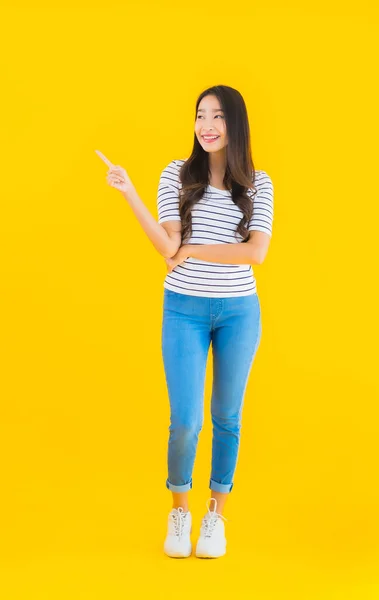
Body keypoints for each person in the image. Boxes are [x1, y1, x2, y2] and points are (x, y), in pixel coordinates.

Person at [102, 85, 274, 559]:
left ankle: (215, 517)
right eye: (201, 115)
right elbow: (165, 247)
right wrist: (130, 192)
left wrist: (193, 250)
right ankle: (179, 512)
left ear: (235, 125)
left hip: (239, 312)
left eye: (217, 116)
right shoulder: (175, 175)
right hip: (184, 309)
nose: (207, 125)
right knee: (186, 421)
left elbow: (255, 253)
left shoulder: (260, 184)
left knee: (227, 417)